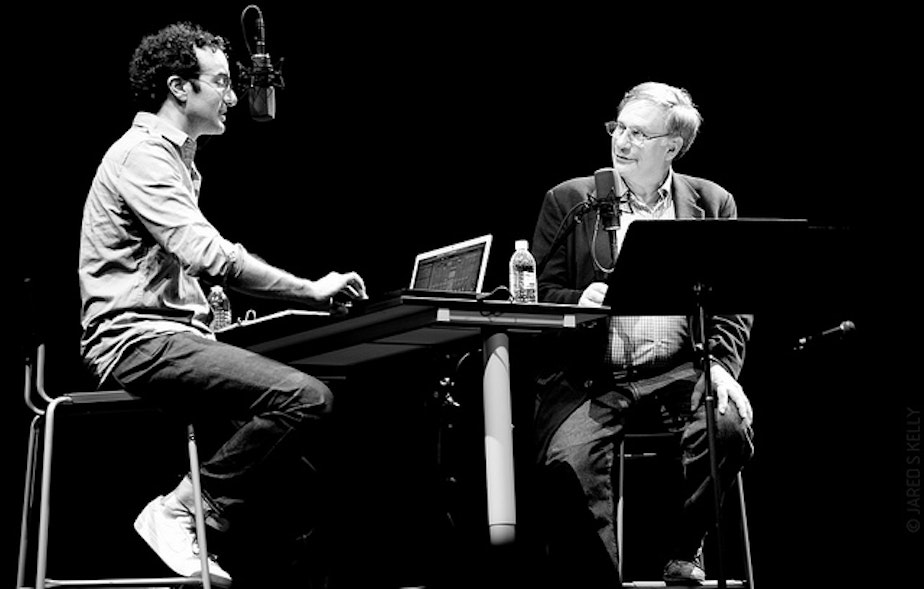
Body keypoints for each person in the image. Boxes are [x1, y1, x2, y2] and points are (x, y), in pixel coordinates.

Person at [78, 22, 367, 586]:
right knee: (306, 399)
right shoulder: (142, 155)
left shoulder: (180, 161)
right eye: (222, 82)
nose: (234, 96)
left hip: (174, 337)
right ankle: (182, 509)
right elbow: (214, 256)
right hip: (136, 344)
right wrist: (309, 290)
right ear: (180, 88)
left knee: (301, 479)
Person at [529, 81, 754, 585]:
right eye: (618, 128)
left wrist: (719, 367)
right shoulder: (571, 199)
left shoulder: (712, 203)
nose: (621, 142)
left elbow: (735, 304)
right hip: (591, 378)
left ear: (670, 146)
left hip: (679, 371)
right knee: (569, 464)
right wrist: (575, 302)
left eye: (637, 133)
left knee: (728, 429)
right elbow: (537, 290)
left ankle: (682, 550)